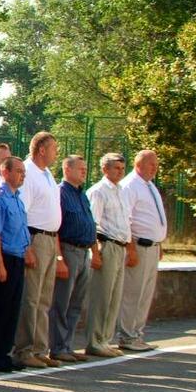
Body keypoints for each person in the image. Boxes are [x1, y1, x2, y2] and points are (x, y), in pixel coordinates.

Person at [14, 132, 69, 369]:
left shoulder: (47, 174)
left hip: (50, 239)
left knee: (44, 299)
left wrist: (57, 251)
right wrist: (27, 248)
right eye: (54, 148)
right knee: (31, 298)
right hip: (34, 238)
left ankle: (39, 348)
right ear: (42, 150)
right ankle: (23, 350)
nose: (57, 152)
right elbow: (21, 214)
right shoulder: (28, 173)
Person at [0, 156, 29, 373]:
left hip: (18, 257)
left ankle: (3, 354)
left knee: (12, 309)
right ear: (5, 172)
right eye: (19, 171)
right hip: (6, 258)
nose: (22, 175)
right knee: (0, 309)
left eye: (23, 172)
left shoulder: (17, 198)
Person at [49, 156, 96, 363]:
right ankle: (57, 347)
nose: (84, 172)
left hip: (84, 252)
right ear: (67, 169)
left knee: (76, 303)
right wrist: (59, 257)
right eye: (80, 168)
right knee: (62, 301)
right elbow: (56, 227)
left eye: (85, 168)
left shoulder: (81, 195)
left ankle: (68, 346)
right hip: (69, 250)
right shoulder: (60, 193)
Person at [118, 150, 166, 351]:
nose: (155, 168)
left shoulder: (149, 185)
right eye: (151, 164)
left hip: (151, 247)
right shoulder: (130, 185)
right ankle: (127, 336)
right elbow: (126, 219)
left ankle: (136, 334)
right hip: (139, 246)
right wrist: (131, 248)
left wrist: (159, 243)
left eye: (156, 164)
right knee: (133, 293)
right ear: (138, 165)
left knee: (145, 294)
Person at [85, 153, 132, 358]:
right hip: (107, 245)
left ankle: (105, 339)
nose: (120, 172)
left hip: (120, 246)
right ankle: (94, 341)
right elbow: (93, 224)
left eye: (122, 168)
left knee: (114, 297)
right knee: (102, 297)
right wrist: (95, 252)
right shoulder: (99, 191)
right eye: (116, 168)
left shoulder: (121, 191)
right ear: (105, 169)